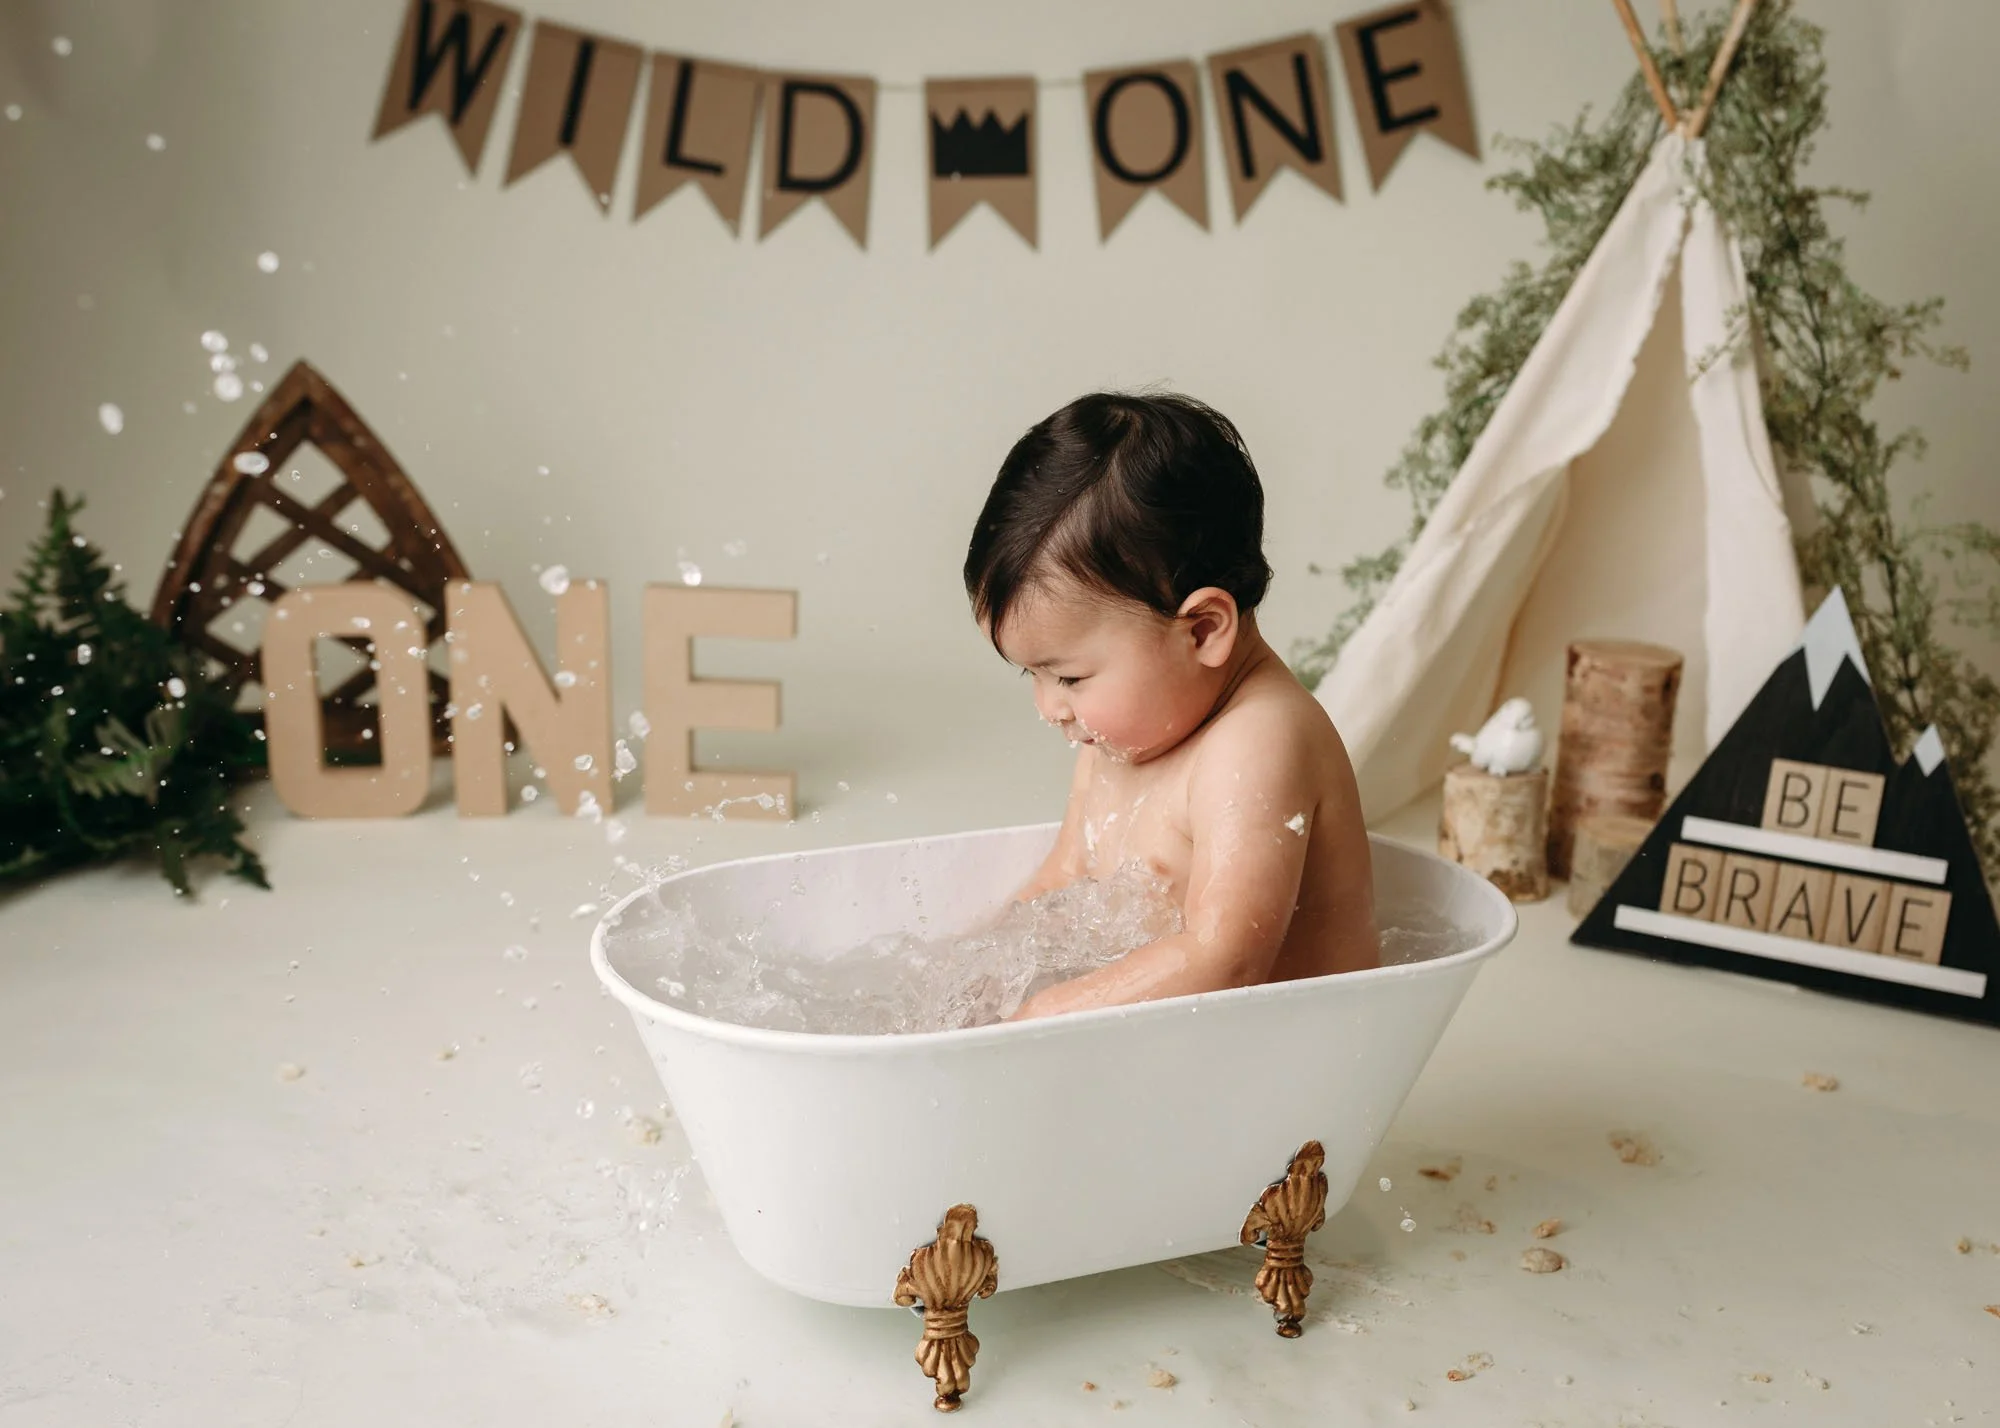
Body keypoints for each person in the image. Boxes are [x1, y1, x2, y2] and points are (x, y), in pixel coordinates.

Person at [964, 391, 1379, 1022]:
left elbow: (1225, 958)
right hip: (1183, 1049)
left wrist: (1043, 1016)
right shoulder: (1124, 735)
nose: (1049, 706)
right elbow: (1064, 879)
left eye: (1070, 677)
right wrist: (977, 973)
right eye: (1033, 673)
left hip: (1296, 1057)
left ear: (1203, 631)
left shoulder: (1260, 741)